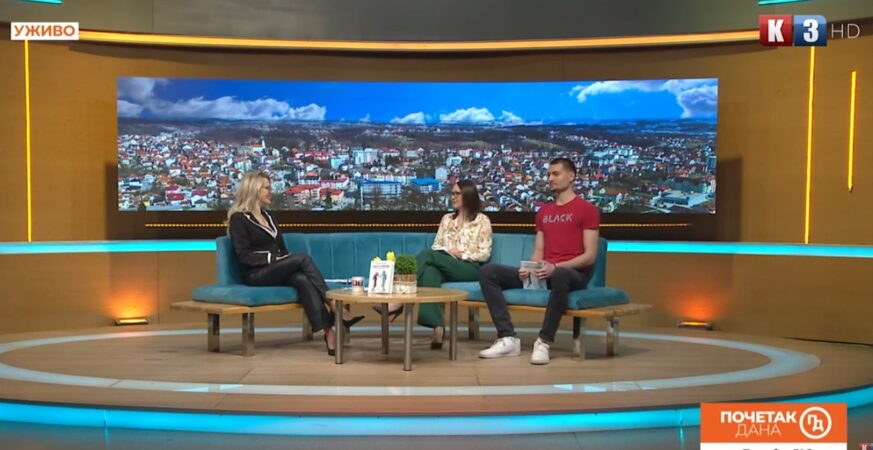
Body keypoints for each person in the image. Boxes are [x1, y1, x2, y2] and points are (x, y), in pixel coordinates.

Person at [477, 158, 600, 365]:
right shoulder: (544, 212)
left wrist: (556, 267)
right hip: (543, 272)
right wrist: (528, 268)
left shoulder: (587, 210)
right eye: (549, 174)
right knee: (488, 272)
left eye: (556, 174)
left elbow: (590, 256)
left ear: (571, 176)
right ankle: (508, 338)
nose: (550, 178)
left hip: (572, 275)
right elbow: (539, 252)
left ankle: (544, 342)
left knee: (560, 275)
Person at [227, 172, 363, 356]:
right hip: (255, 274)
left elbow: (282, 249)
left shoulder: (269, 217)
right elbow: (244, 256)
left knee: (301, 279)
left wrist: (286, 260)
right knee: (303, 258)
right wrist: (274, 259)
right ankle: (332, 303)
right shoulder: (239, 219)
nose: (270, 191)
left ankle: (329, 333)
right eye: (266, 188)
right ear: (254, 190)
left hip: (274, 270)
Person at [378, 180, 493, 349]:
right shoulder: (446, 219)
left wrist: (462, 254)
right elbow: (437, 245)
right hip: (446, 264)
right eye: (452, 193)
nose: (452, 197)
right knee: (430, 271)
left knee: (427, 255)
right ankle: (438, 329)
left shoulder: (482, 221)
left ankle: (399, 299)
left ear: (468, 196)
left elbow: (485, 253)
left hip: (469, 267)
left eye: (457, 194)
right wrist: (447, 253)